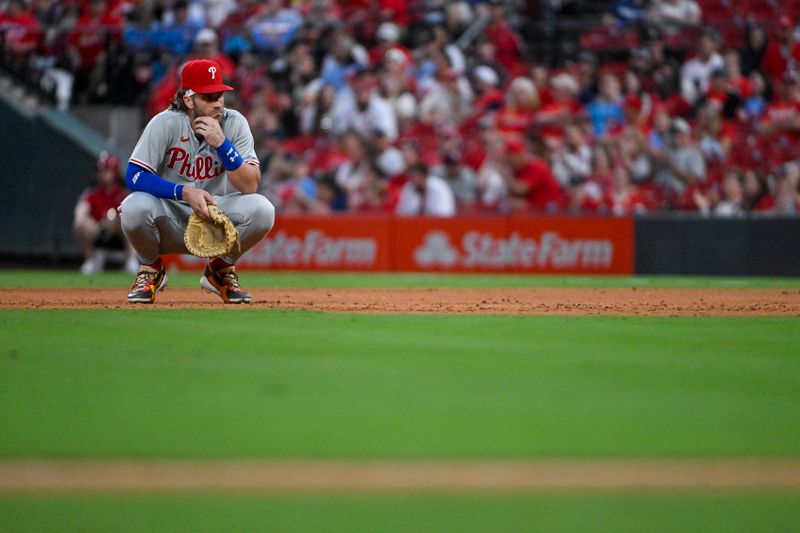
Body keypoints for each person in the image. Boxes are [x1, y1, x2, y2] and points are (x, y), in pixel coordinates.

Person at [120, 59, 275, 304]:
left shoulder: (234, 123)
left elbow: (249, 185)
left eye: (220, 95)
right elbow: (134, 175)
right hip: (171, 213)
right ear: (188, 100)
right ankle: (151, 269)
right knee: (132, 207)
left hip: (216, 215)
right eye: (208, 97)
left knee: (263, 210)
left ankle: (220, 271)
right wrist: (182, 192)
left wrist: (223, 145)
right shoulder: (165, 123)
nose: (217, 104)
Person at [73, 152, 138, 275]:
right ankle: (90, 260)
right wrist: (86, 218)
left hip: (119, 231)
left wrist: (116, 222)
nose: (102, 174)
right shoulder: (92, 192)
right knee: (80, 222)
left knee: (133, 221)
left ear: (115, 172)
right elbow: (81, 211)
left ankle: (132, 261)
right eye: (101, 170)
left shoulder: (124, 193)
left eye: (107, 170)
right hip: (98, 230)